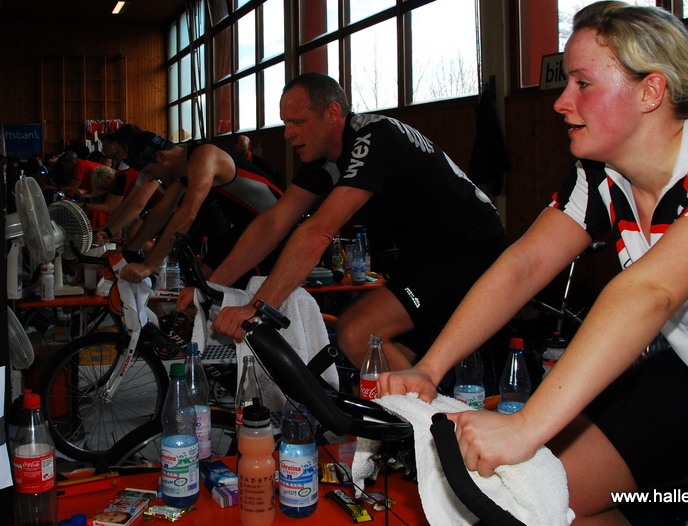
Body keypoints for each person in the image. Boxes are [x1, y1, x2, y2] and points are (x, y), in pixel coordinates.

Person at [380, 1, 688, 525]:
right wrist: (429, 368)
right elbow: (524, 265)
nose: (561, 102)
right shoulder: (599, 175)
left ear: (651, 91)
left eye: (583, 83)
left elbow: (652, 291)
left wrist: (527, 425)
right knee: (543, 500)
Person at [179, 73, 506, 371]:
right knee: (386, 355)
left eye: (297, 121)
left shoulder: (374, 137)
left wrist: (258, 307)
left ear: (333, 113)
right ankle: (415, 409)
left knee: (357, 333)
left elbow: (318, 230)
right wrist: (212, 289)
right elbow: (273, 223)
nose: (288, 133)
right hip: (428, 256)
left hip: (473, 249)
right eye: (285, 123)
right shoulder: (324, 158)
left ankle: (428, 415)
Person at [118, 131, 283, 284]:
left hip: (274, 228)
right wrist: (129, 251)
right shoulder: (183, 169)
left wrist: (148, 266)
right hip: (247, 228)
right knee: (197, 284)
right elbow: (162, 211)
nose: (149, 178)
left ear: (161, 156)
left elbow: (187, 214)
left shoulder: (204, 156)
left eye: (148, 171)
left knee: (229, 288)